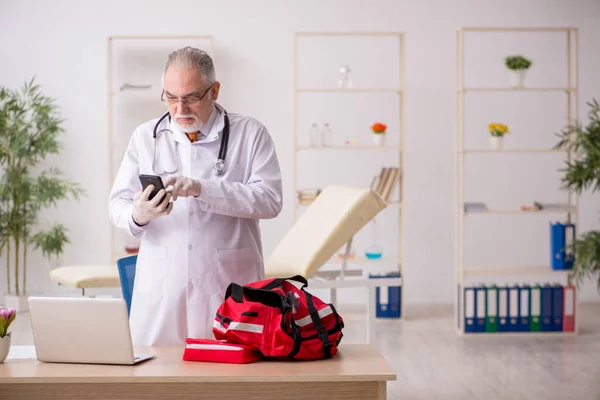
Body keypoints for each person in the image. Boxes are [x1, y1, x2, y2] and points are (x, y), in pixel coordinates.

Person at [108, 47, 283, 346]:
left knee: (230, 382)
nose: (180, 109)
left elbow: (269, 200)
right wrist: (140, 214)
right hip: (162, 288)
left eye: (190, 98)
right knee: (157, 381)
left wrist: (202, 188)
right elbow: (117, 206)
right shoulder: (145, 136)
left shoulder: (250, 133)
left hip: (227, 285)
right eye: (171, 98)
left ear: (214, 91)